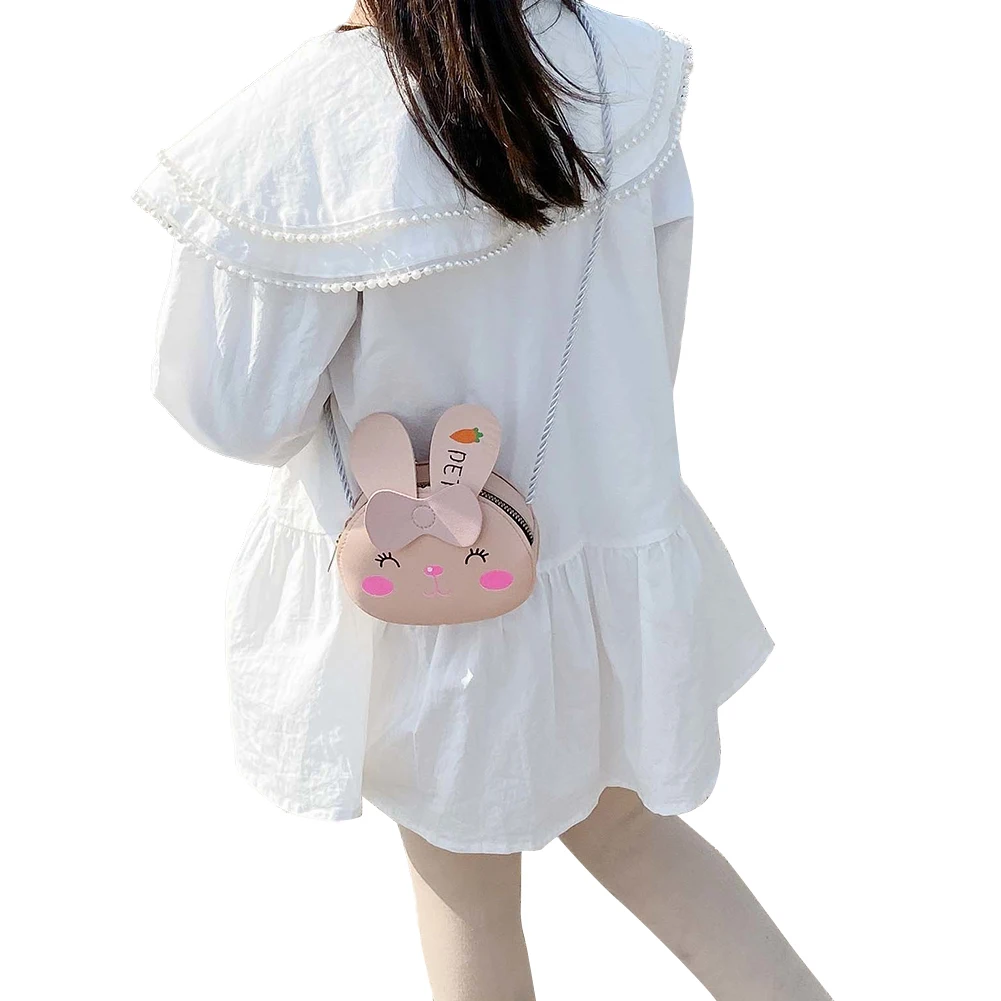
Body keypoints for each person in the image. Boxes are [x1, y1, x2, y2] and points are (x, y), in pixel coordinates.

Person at [134, 1, 832, 997]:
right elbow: (650, 335)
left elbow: (234, 411)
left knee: (463, 884)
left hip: (423, 595)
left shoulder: (310, 118)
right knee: (631, 828)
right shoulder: (617, 70)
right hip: (596, 558)